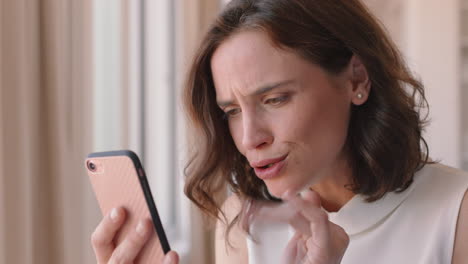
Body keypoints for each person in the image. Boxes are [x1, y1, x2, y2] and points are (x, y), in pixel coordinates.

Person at [91, 0, 468, 263]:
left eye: (275, 99)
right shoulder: (244, 222)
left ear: (357, 78)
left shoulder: (456, 213)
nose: (250, 138)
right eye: (233, 111)